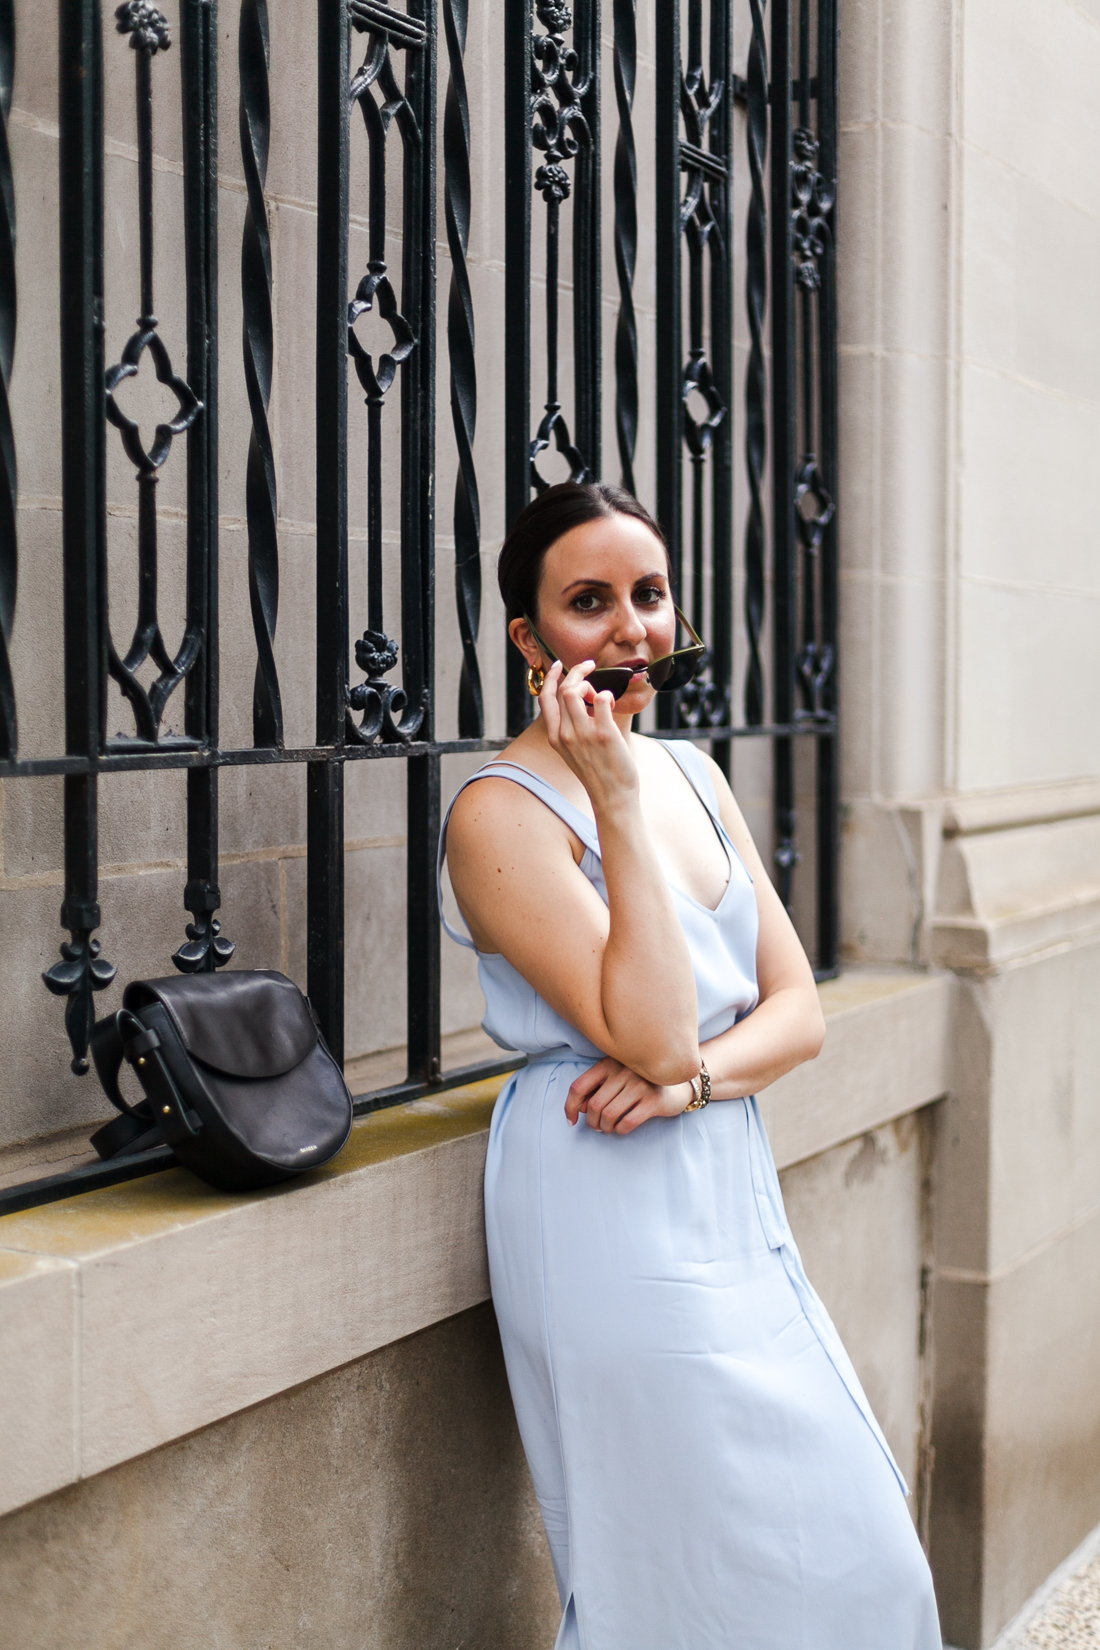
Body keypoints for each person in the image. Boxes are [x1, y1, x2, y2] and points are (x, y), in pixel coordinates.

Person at [439, 481, 941, 1649]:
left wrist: (696, 1082)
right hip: (598, 1188)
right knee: (677, 1566)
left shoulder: (697, 773)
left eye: (649, 595)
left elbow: (797, 1011)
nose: (629, 628)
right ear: (529, 638)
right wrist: (610, 792)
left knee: (856, 1546)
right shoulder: (499, 814)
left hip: (719, 1170)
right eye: (588, 601)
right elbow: (649, 1029)